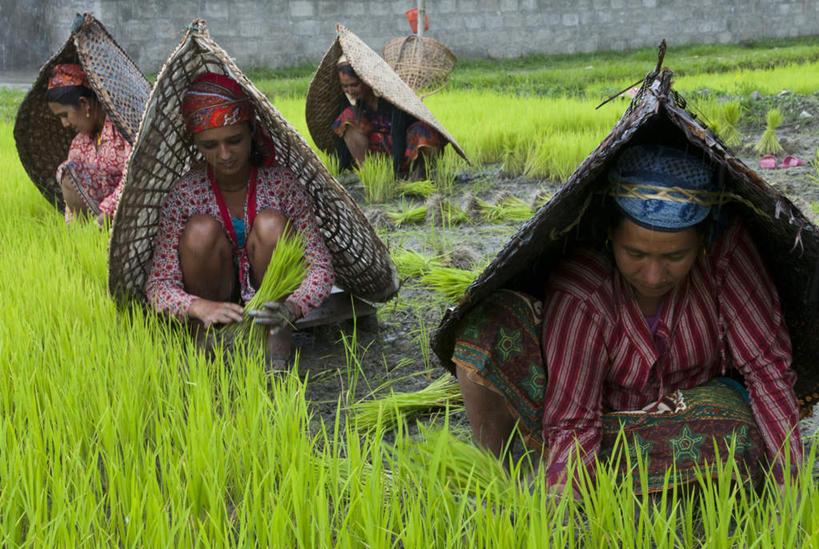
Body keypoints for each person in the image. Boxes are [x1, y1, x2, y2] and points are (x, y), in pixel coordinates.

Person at [454, 144, 802, 494]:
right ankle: (502, 474)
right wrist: (566, 515)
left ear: (702, 241)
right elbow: (573, 418)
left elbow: (768, 372)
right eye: (634, 253)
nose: (653, 276)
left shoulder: (726, 258)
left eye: (675, 256)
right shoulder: (584, 288)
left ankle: (587, 477)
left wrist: (791, 491)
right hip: (596, 423)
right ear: (610, 235)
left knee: (737, 431)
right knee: (487, 328)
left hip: (690, 418)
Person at [145, 72, 334, 369]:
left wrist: (292, 307)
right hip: (212, 294)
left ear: (252, 133)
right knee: (200, 230)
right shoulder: (186, 193)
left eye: (234, 140)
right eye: (210, 145)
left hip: (271, 300)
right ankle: (204, 336)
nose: (224, 154)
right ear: (196, 144)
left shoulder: (281, 184)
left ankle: (276, 332)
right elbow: (159, 284)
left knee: (271, 224)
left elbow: (320, 265)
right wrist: (198, 306)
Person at [332, 56, 443, 179]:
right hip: (379, 157)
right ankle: (368, 173)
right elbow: (341, 140)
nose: (349, 90)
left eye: (354, 85)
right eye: (345, 86)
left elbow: (398, 138)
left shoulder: (392, 101)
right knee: (347, 115)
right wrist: (339, 171)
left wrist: (392, 175)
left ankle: (418, 176)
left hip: (405, 152)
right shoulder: (357, 105)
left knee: (423, 129)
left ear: (366, 81)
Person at [46, 63, 130, 225]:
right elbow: (72, 202)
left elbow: (131, 180)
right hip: (97, 225)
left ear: (84, 104)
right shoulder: (79, 143)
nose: (64, 124)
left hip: (128, 213)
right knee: (68, 173)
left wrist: (104, 216)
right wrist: (77, 236)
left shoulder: (123, 131)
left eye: (65, 115)